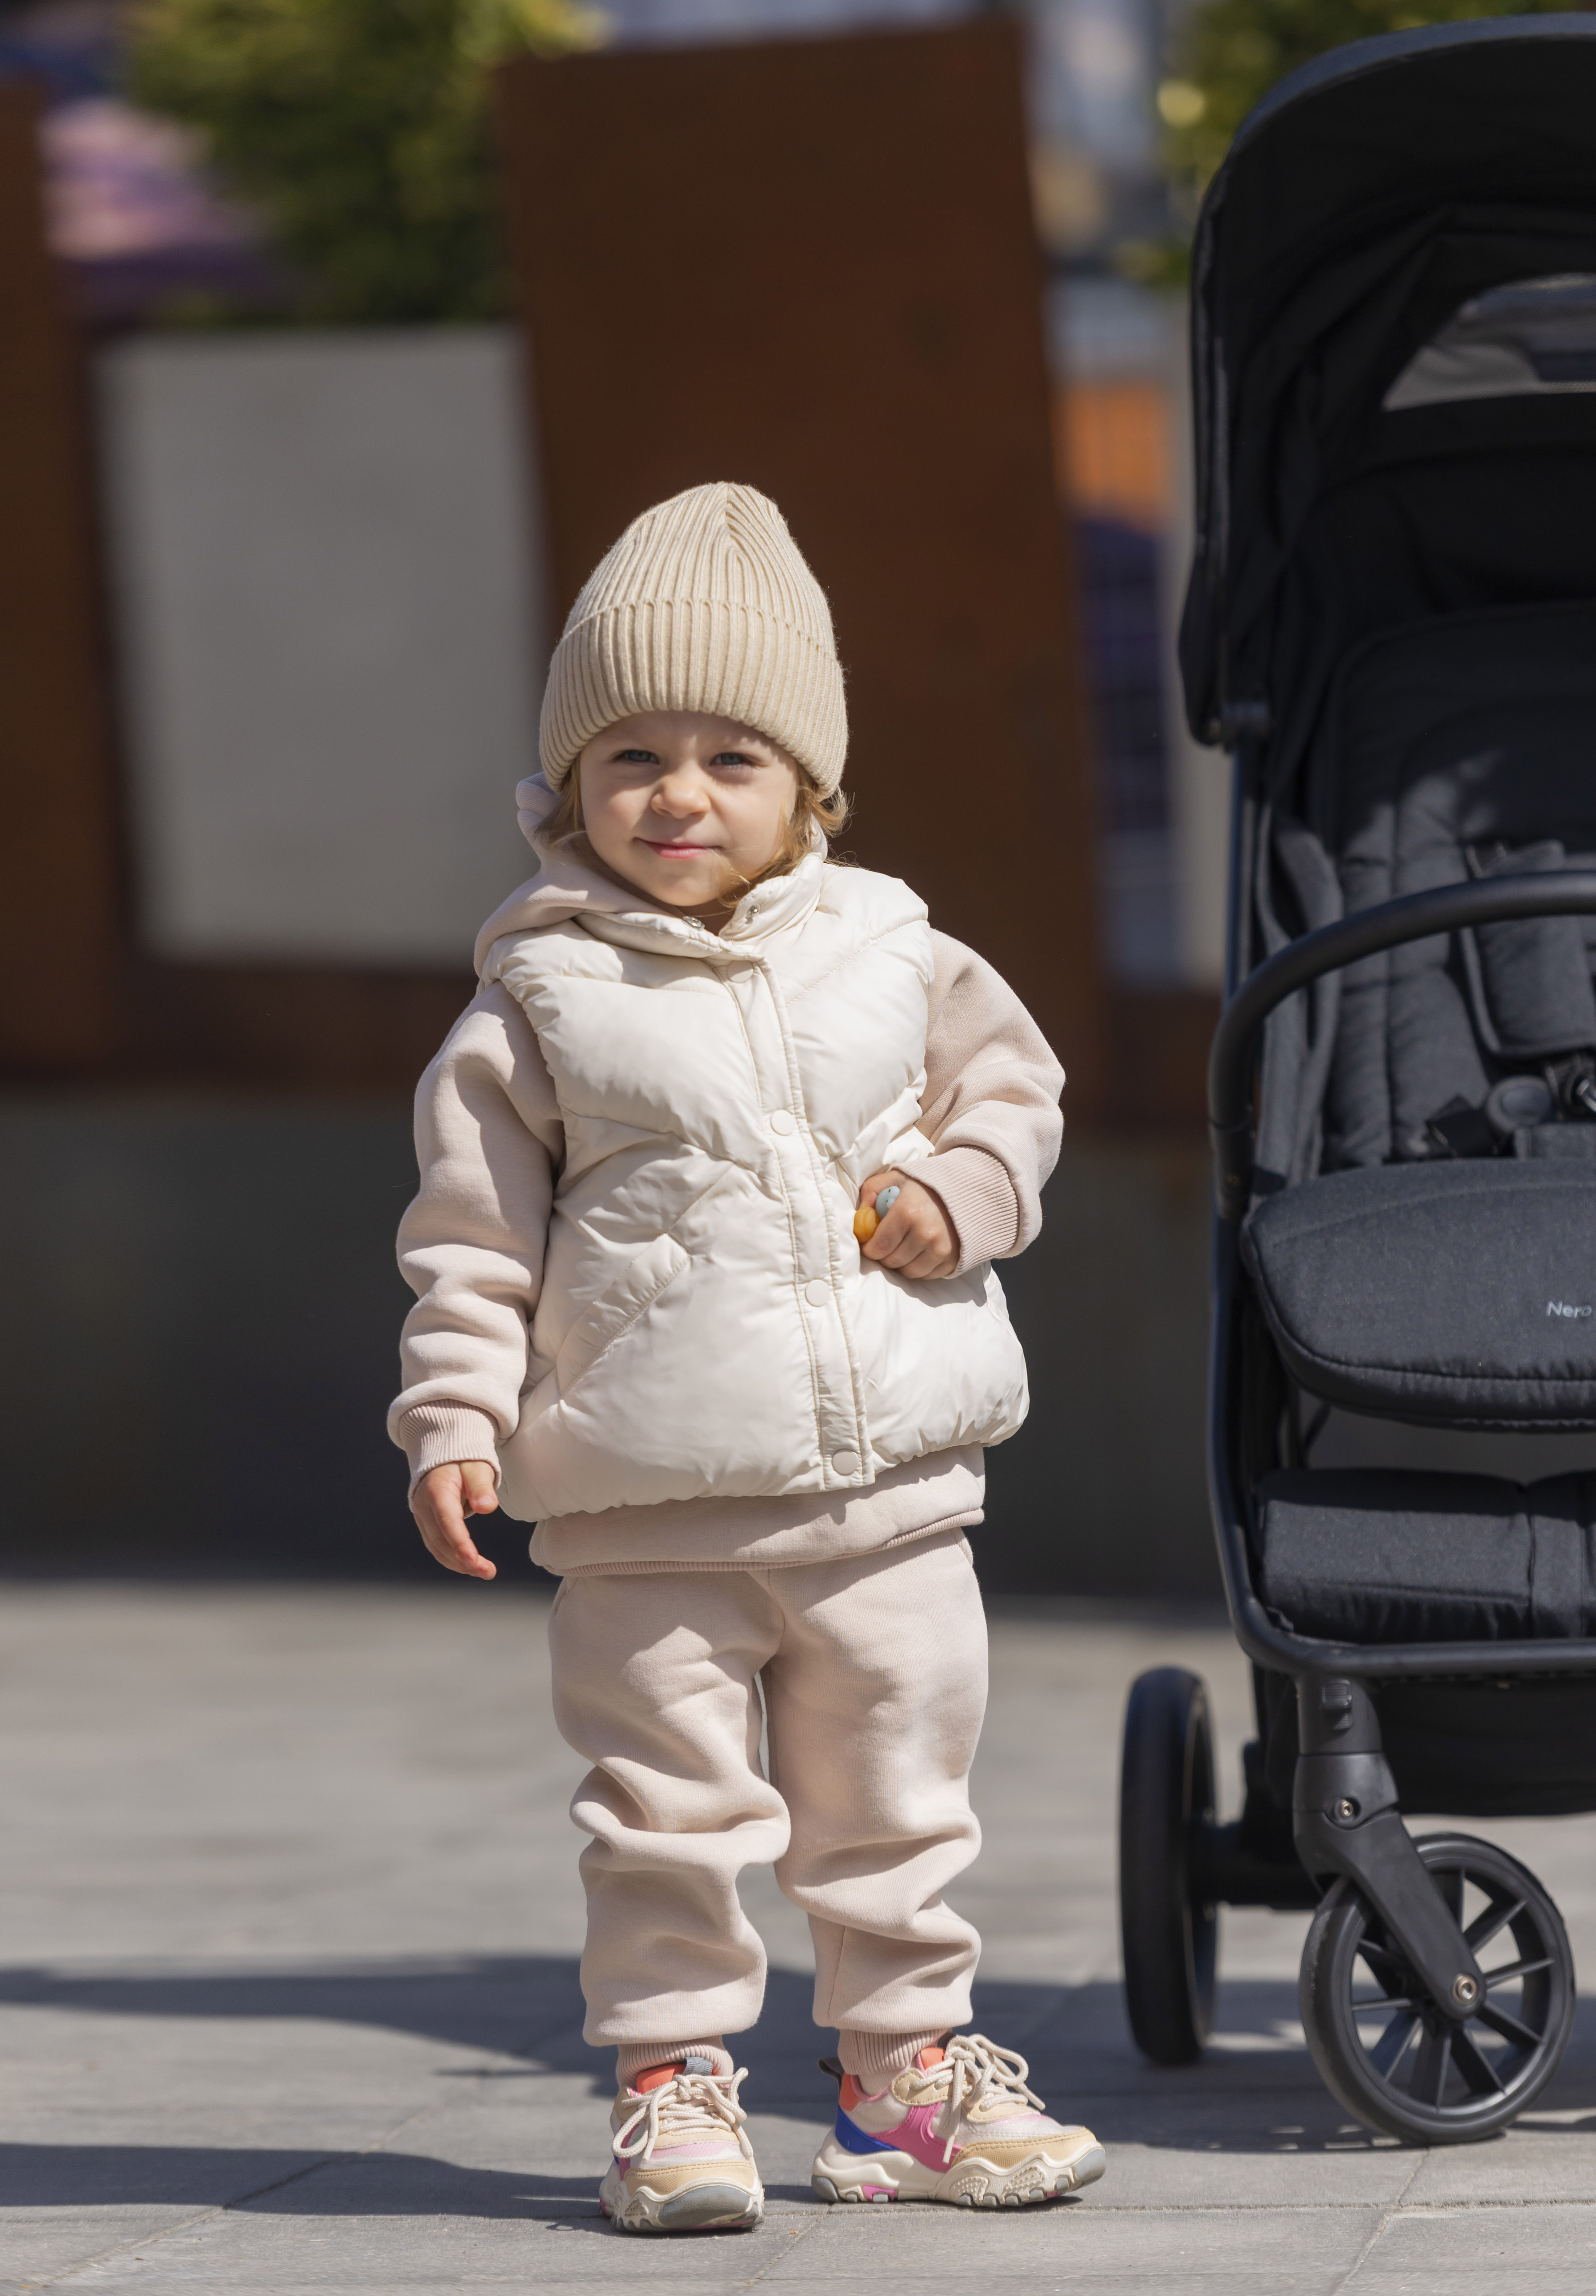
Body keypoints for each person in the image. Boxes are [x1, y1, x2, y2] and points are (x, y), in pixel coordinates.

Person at [389, 482, 1103, 2233]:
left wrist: (961, 1186)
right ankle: (669, 2087)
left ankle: (908, 2079)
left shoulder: (897, 949)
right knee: (663, 1817)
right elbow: (469, 1239)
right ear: (570, 787)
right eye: (632, 756)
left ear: (813, 793)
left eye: (730, 756)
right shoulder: (535, 1004)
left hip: (891, 1503)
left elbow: (1016, 1093)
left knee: (899, 1808)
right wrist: (451, 1413)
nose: (679, 794)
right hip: (648, 1513)